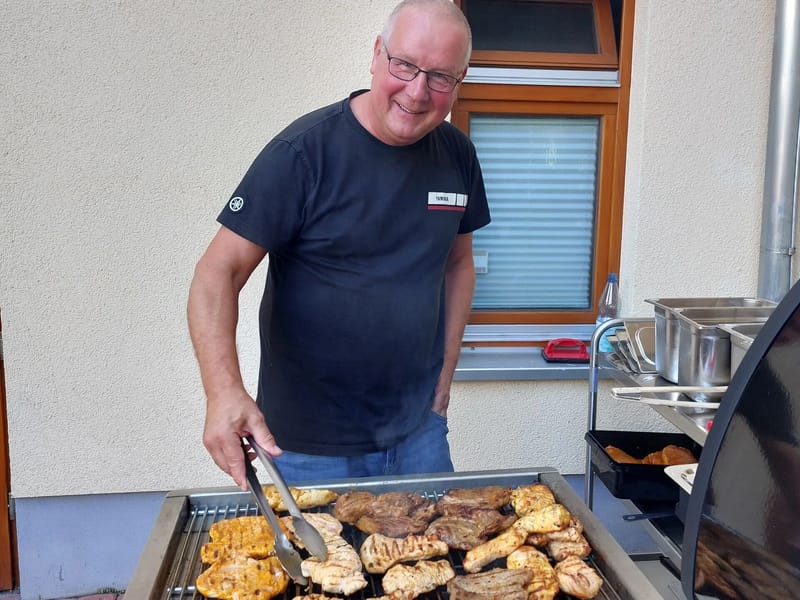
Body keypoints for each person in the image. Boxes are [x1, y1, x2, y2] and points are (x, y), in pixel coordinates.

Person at [187, 0, 490, 490]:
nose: (417, 91)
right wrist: (223, 393)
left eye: (440, 77)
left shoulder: (457, 155)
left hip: (419, 437)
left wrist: (444, 376)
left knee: (438, 565)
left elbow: (458, 264)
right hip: (307, 448)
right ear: (376, 54)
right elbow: (216, 273)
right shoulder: (303, 154)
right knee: (315, 571)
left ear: (460, 80)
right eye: (405, 65)